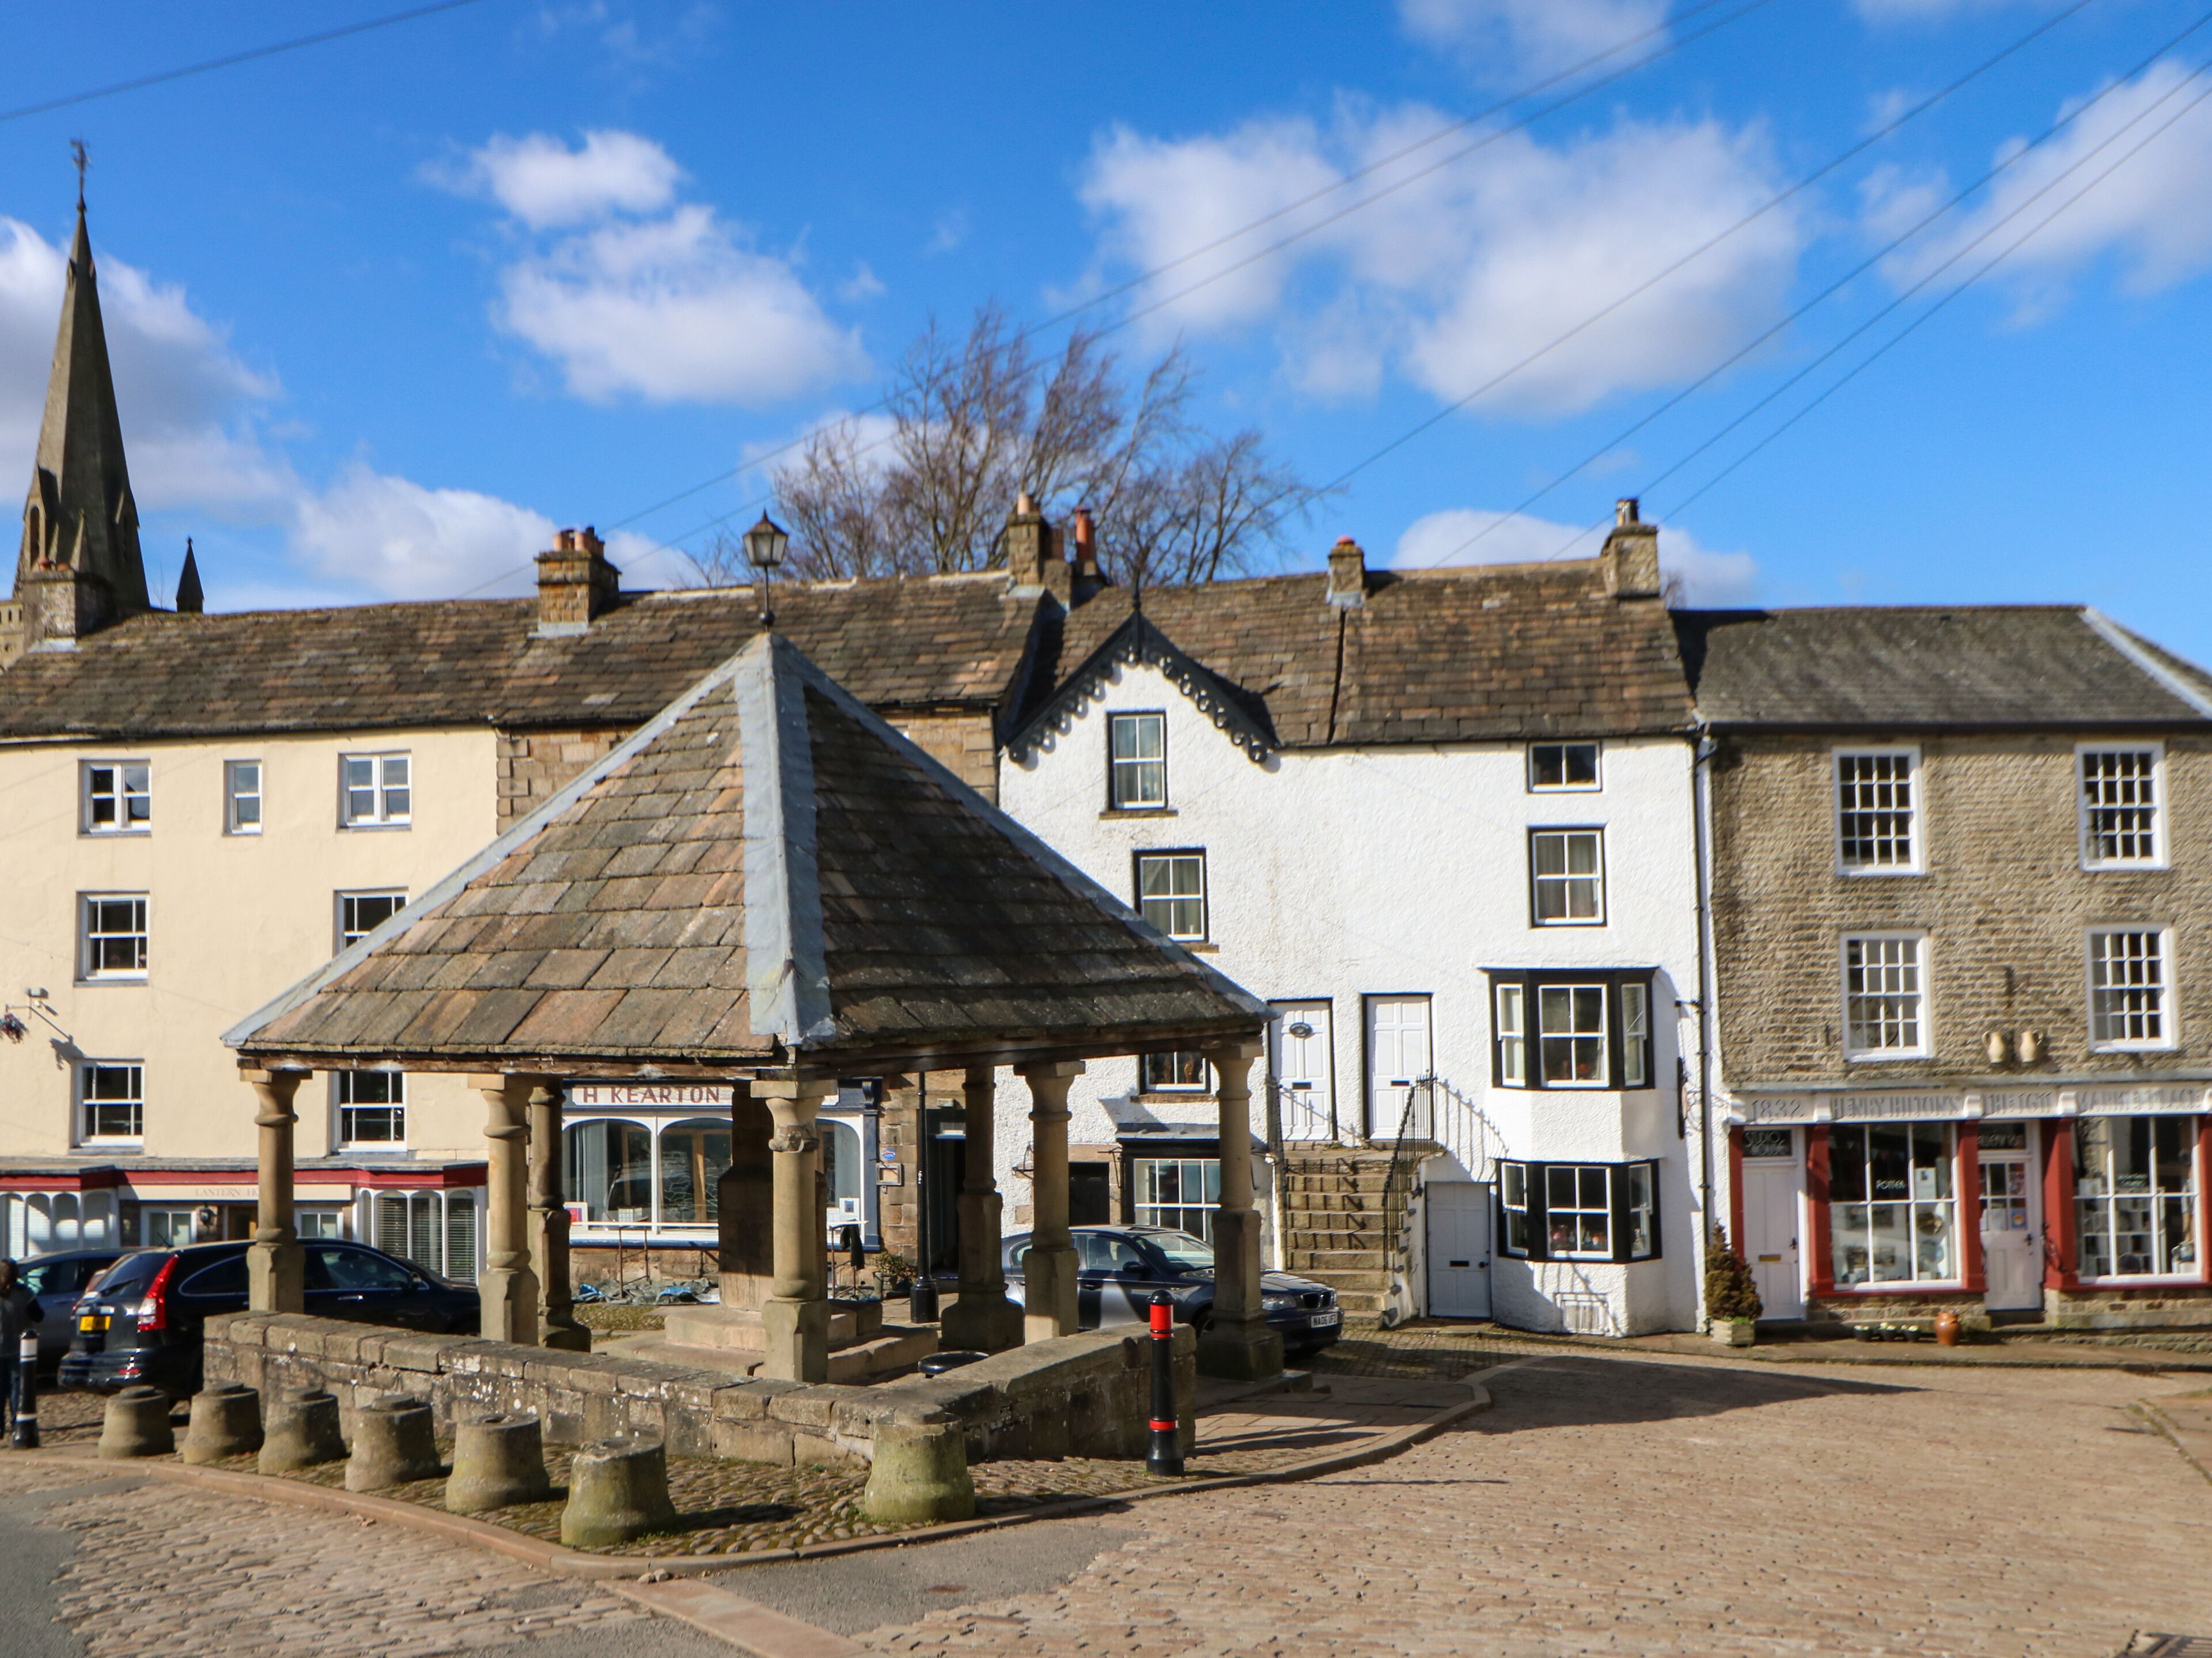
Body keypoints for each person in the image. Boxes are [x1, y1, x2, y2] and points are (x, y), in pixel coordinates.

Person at [0, 1259, 43, 1433]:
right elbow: (39, 1316)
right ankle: (17, 1422)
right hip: (20, 1349)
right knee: (17, 1387)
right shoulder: (25, 1294)